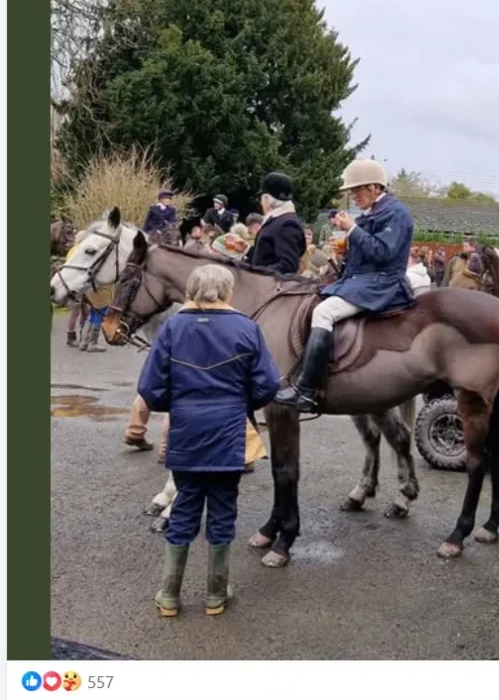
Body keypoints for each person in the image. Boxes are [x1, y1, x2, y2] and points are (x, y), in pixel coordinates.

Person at [138, 263, 281, 617]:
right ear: (228, 292)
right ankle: (216, 594)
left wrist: (179, 405)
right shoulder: (247, 328)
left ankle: (169, 595)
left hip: (186, 431)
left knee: (185, 507)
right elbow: (268, 384)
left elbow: (150, 389)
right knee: (223, 509)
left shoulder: (172, 328)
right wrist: (239, 403)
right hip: (229, 432)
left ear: (192, 290)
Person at [274, 159, 414, 412]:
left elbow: (382, 253)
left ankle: (306, 390)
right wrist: (345, 243)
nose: (353, 196)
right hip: (360, 279)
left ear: (374, 187)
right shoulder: (373, 212)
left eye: (357, 190)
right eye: (352, 191)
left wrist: (352, 229)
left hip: (381, 283)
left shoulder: (397, 213)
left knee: (323, 313)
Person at [248, 173, 306, 275]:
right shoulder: (277, 220)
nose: (260, 203)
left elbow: (288, 265)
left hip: (270, 287)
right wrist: (246, 250)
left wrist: (258, 274)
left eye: (261, 199)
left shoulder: (287, 224)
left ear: (267, 199)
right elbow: (265, 257)